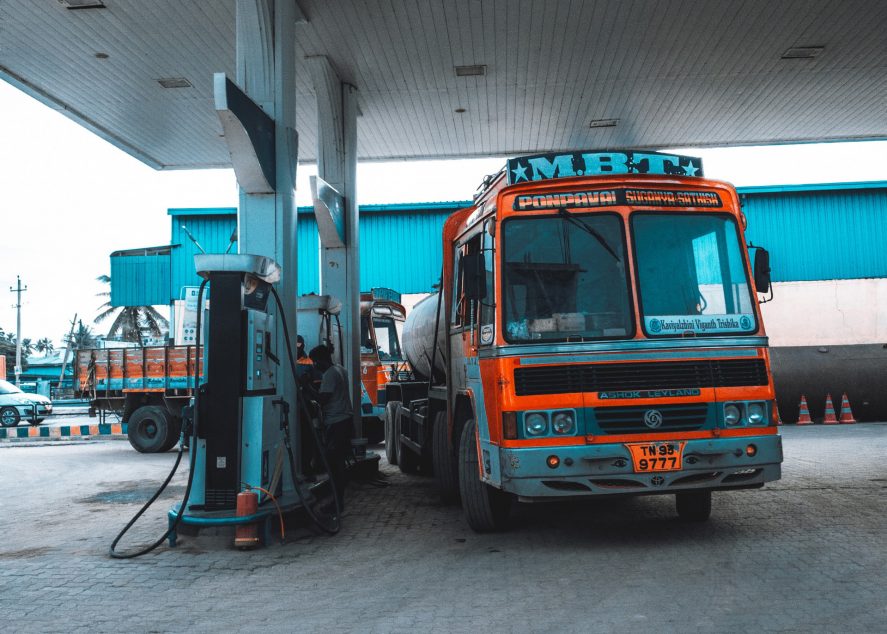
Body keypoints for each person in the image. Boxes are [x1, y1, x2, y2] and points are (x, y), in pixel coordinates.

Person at [307, 344, 353, 513]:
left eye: (315, 362)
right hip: (345, 419)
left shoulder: (329, 375)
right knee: (338, 462)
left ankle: (337, 502)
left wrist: (306, 387)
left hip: (336, 422)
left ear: (321, 360)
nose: (314, 366)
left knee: (334, 464)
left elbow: (322, 399)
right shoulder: (340, 369)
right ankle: (337, 500)